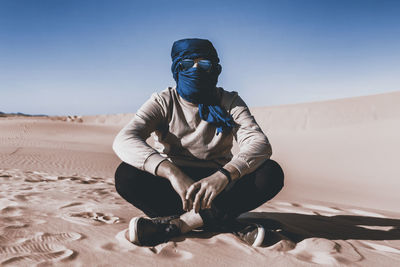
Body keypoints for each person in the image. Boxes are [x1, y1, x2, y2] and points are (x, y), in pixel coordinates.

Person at [113, 38, 284, 247]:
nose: (195, 70)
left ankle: (178, 224)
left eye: (204, 64)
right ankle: (219, 221)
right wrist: (171, 172)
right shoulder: (163, 101)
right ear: (177, 68)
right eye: (187, 64)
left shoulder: (229, 102)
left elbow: (258, 142)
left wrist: (225, 175)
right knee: (126, 175)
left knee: (270, 174)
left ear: (214, 69)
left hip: (217, 187)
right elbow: (124, 139)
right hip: (174, 187)